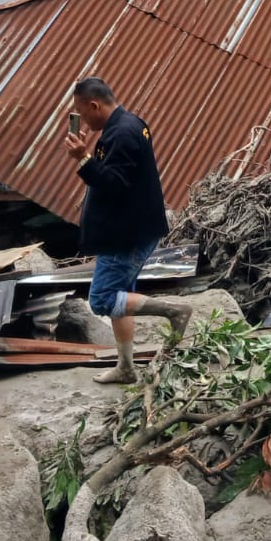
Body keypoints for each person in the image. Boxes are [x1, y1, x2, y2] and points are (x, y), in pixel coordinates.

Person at [62, 76, 189, 383]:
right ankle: (127, 367)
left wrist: (83, 159)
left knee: (104, 299)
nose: (82, 121)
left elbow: (115, 186)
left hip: (126, 235)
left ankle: (174, 311)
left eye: (81, 112)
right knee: (122, 298)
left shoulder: (121, 134)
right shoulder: (130, 124)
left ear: (94, 105)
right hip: (134, 226)